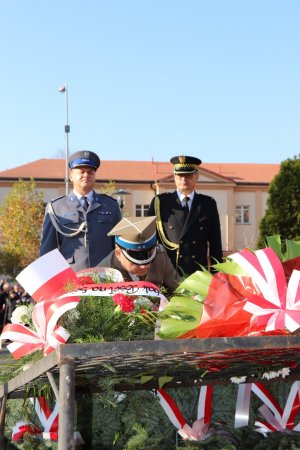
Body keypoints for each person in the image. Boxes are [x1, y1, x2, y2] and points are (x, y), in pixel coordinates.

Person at [40, 150, 122, 272]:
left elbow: (120, 245)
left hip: (106, 275)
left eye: (90, 172)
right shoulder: (56, 207)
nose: (86, 175)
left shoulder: (110, 205)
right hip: (71, 277)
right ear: (71, 176)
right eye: (81, 172)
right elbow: (48, 250)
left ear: (95, 176)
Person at [148, 155, 223, 276]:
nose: (183, 179)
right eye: (179, 175)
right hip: (167, 273)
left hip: (197, 275)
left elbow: (216, 245)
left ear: (197, 176)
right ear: (174, 176)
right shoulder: (160, 203)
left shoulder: (208, 204)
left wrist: (217, 276)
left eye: (188, 175)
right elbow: (149, 240)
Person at [98, 216, 180, 295]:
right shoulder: (103, 274)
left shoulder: (160, 257)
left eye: (148, 255)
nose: (144, 266)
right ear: (118, 254)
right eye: (135, 257)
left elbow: (179, 290)